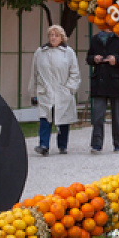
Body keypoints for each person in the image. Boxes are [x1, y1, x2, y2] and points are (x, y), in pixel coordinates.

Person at [28, 25, 81, 155]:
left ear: (62, 38)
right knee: (45, 119)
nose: (53, 38)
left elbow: (74, 73)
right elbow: (34, 73)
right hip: (45, 91)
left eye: (56, 35)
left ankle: (62, 145)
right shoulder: (40, 52)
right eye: (51, 35)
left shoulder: (68, 52)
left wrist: (69, 89)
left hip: (62, 91)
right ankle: (43, 145)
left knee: (63, 119)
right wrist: (33, 92)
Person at [88, 28, 119, 152]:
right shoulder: (96, 39)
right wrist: (94, 58)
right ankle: (96, 143)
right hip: (100, 82)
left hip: (117, 82)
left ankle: (118, 143)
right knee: (98, 115)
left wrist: (116, 60)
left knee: (117, 116)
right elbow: (88, 57)